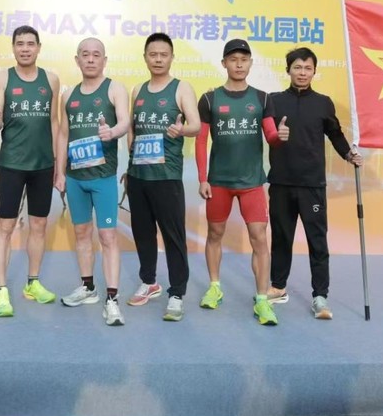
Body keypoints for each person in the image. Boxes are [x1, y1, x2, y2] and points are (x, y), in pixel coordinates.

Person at [265, 47, 362, 320]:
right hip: (281, 182)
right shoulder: (273, 101)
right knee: (281, 238)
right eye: (297, 67)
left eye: (308, 68)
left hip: (312, 185)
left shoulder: (323, 103)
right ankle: (278, 286)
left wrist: (349, 154)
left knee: (317, 241)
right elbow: (263, 129)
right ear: (288, 70)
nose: (302, 73)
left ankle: (320, 296)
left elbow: (335, 134)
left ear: (314, 72)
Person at [195, 38, 280, 326]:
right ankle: (215, 287)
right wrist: (203, 179)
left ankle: (262, 300)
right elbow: (201, 141)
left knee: (259, 238)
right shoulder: (209, 99)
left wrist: (279, 137)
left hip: (252, 182)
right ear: (224, 63)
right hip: (218, 182)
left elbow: (270, 136)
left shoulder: (262, 98)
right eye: (233, 59)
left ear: (251, 63)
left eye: (244, 59)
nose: (239, 64)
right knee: (214, 234)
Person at [0, 25, 60, 317]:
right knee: (5, 227)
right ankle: (1, 290)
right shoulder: (3, 78)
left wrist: (57, 163)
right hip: (12, 164)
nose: (25, 48)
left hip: (43, 165)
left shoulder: (51, 79)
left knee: (38, 225)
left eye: (30, 43)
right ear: (13, 47)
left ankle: (33, 283)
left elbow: (53, 122)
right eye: (20, 43)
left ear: (39, 47)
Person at [55, 38, 130, 326]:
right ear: (77, 60)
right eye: (85, 55)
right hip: (75, 178)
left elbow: (125, 121)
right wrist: (60, 172)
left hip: (103, 178)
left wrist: (113, 132)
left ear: (104, 60)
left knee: (108, 237)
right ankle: (88, 288)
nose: (90, 59)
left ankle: (112, 298)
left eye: (96, 55)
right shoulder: (68, 95)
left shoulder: (114, 88)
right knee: (82, 233)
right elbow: (63, 134)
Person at [125, 33, 200, 322]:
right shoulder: (138, 89)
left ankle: (177, 293)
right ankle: (149, 282)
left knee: (172, 235)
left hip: (167, 176)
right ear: (145, 57)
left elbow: (195, 125)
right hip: (138, 175)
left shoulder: (181, 88)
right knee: (142, 232)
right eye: (153, 54)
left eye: (163, 55)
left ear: (171, 57)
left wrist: (182, 130)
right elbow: (132, 127)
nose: (158, 59)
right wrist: (131, 151)